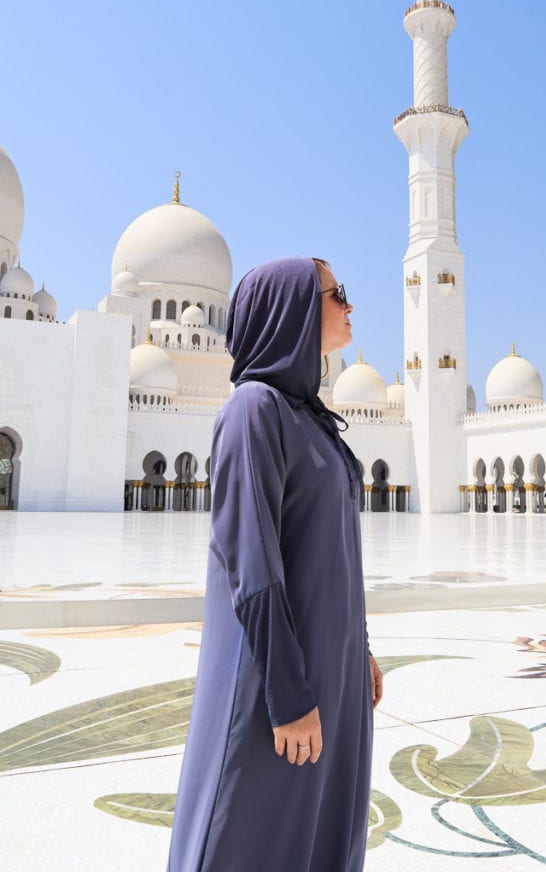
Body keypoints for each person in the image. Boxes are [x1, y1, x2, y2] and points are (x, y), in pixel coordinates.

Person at [168, 256, 383, 872]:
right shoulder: (253, 411)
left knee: (321, 831)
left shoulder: (313, 421)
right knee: (253, 833)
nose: (348, 305)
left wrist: (357, 646)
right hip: (277, 682)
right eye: (336, 293)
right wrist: (288, 695)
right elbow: (252, 564)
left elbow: (335, 550)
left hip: (328, 671)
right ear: (292, 309)